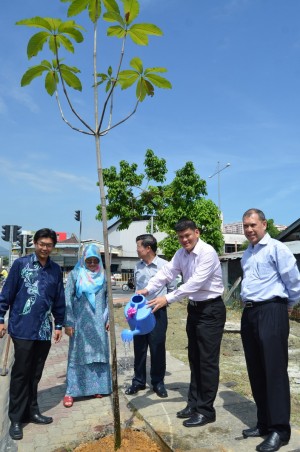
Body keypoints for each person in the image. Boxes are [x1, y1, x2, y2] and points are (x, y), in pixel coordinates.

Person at [137, 219, 226, 427]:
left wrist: (166, 299)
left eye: (187, 235)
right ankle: (194, 403)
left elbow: (195, 283)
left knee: (207, 362)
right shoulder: (180, 254)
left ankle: (206, 410)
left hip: (211, 309)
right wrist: (148, 289)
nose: (184, 240)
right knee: (194, 358)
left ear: (197, 232)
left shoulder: (208, 253)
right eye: (180, 237)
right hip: (194, 309)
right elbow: (166, 273)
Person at [240, 209, 300, 452]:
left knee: (274, 371)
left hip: (272, 310)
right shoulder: (247, 253)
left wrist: (286, 307)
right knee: (256, 370)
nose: (249, 230)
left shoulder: (277, 248)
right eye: (245, 226)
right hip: (250, 313)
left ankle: (280, 430)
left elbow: (294, 282)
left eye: (253, 225)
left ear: (264, 224)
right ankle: (263, 422)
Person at [0, 228, 65, 441]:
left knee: (36, 374)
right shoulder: (21, 265)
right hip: (22, 327)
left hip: (44, 329)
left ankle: (32, 411)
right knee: (20, 373)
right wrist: (1, 318)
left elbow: (59, 299)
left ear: (53, 247)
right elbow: (7, 293)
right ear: (35, 243)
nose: (45, 248)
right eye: (42, 244)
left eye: (49, 245)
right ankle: (16, 419)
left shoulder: (56, 270)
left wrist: (59, 325)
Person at [125, 234, 176, 398]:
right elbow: (137, 289)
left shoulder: (165, 266)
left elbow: (173, 289)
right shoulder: (137, 266)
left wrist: (164, 303)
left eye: (138, 246)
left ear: (148, 248)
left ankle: (158, 383)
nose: (137, 249)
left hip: (157, 312)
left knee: (157, 347)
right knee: (139, 348)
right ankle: (138, 381)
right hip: (139, 314)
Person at [63, 244, 111, 408]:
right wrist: (68, 322)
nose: (91, 264)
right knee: (77, 356)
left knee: (98, 356)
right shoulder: (76, 275)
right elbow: (67, 300)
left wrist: (108, 319)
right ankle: (71, 392)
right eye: (88, 260)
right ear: (83, 260)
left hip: (98, 324)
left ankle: (97, 387)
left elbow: (108, 301)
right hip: (80, 324)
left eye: (94, 260)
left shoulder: (104, 275)